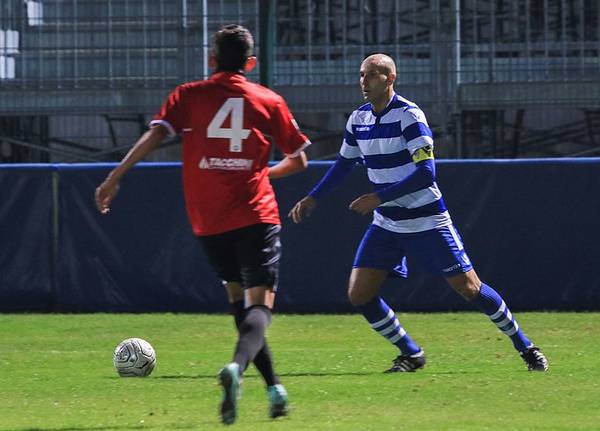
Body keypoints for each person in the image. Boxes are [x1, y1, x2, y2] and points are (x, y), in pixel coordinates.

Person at [95, 24, 311, 425]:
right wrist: (264, 173)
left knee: (237, 300)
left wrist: (116, 176)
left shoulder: (188, 96)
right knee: (260, 308)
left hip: (208, 221)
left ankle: (274, 388)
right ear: (251, 62)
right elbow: (299, 159)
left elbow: (154, 136)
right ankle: (236, 368)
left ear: (212, 60)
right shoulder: (269, 100)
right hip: (254, 214)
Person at [289, 53, 548, 373]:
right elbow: (344, 163)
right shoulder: (358, 118)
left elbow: (427, 173)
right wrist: (314, 197)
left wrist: (378, 197)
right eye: (361, 75)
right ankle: (411, 353)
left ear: (390, 79)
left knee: (470, 289)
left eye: (371, 75)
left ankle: (526, 346)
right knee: (359, 294)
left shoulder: (410, 116)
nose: (363, 82)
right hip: (388, 223)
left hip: (427, 220)